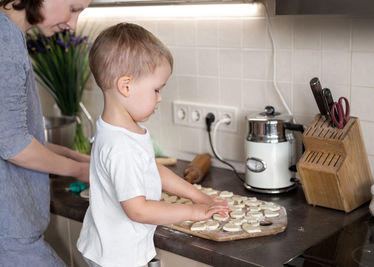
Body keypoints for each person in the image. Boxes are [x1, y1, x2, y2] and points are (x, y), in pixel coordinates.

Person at [77, 22, 230, 267]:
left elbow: (151, 168)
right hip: (116, 259)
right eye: (156, 89)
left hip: (113, 250)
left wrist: (196, 195)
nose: (160, 98)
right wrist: (194, 212)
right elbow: (138, 210)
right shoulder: (120, 145)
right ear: (125, 86)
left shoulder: (121, 129)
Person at [0, 1, 91, 266]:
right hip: (10, 240)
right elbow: (15, 146)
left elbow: (19, 134)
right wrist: (82, 172)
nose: (73, 24)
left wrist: (78, 158)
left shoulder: (9, 37)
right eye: (73, 8)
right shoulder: (5, 44)